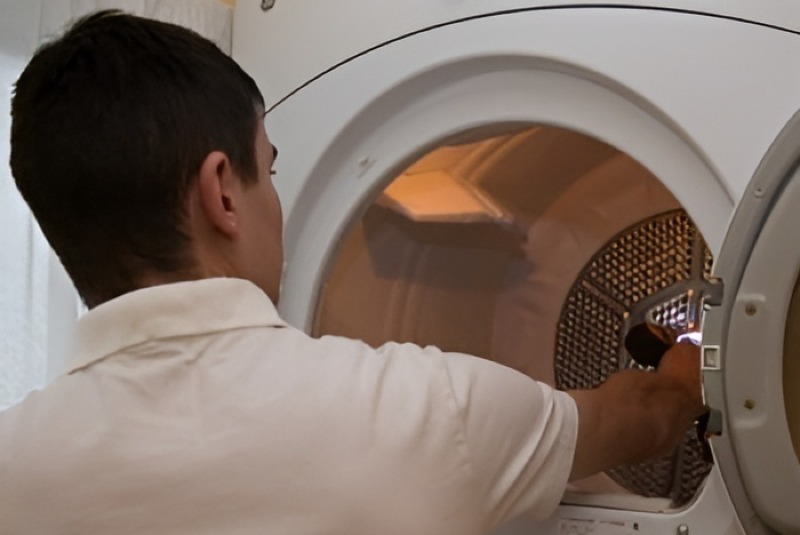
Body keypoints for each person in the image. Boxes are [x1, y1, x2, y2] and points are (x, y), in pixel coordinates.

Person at [2, 10, 706, 535]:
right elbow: (639, 418)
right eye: (268, 170)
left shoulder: (14, 471)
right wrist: (688, 364)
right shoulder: (425, 412)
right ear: (222, 192)